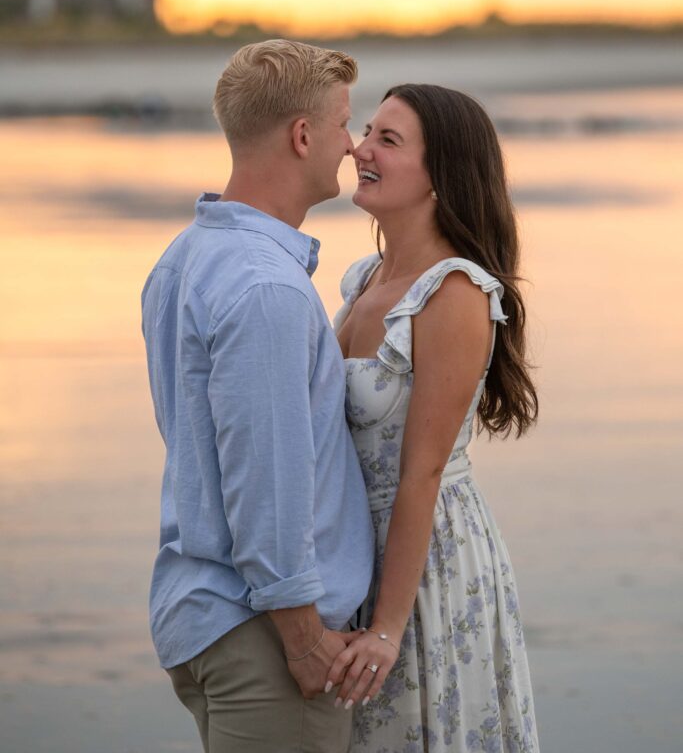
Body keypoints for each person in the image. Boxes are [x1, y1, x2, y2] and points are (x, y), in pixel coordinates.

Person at [141, 39, 374, 753]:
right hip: (265, 638)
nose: (351, 143)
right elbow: (263, 476)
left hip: (211, 617)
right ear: (302, 136)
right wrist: (304, 639)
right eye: (343, 123)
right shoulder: (266, 289)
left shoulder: (184, 259)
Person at [326, 84, 540, 752]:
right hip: (353, 547)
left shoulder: (453, 292)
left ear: (441, 174)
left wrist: (388, 627)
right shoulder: (363, 278)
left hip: (426, 561)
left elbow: (420, 473)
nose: (361, 149)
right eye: (366, 132)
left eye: (388, 141)